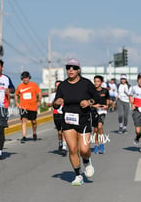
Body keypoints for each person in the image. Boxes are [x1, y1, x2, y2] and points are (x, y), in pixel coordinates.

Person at [53, 58, 100, 186]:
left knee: (84, 149)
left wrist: (89, 102)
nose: (70, 70)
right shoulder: (63, 85)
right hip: (68, 120)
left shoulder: (86, 83)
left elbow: (96, 97)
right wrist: (56, 103)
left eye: (73, 68)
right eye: (68, 67)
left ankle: (86, 161)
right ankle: (78, 175)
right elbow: (56, 104)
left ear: (78, 70)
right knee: (73, 149)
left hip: (84, 118)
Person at [15, 71, 42, 143]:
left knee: (33, 121)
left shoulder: (34, 85)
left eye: (26, 78)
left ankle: (34, 132)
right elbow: (16, 94)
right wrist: (16, 102)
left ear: (29, 78)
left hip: (32, 107)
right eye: (23, 78)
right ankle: (24, 136)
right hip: (23, 107)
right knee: (23, 120)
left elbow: (39, 93)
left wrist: (39, 101)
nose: (25, 79)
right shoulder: (20, 86)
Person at [47, 80, 67, 156]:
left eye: (59, 85)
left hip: (64, 114)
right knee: (59, 132)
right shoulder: (53, 95)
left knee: (64, 131)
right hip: (56, 114)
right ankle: (60, 143)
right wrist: (53, 102)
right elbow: (48, 105)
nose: (58, 87)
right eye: (56, 85)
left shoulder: (66, 94)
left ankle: (64, 147)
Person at [91, 75, 110, 154]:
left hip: (102, 111)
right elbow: (89, 102)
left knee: (100, 126)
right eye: (95, 81)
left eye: (98, 81)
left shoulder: (105, 91)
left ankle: (101, 144)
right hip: (94, 111)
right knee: (95, 130)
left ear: (101, 82)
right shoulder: (91, 91)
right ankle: (96, 145)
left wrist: (107, 106)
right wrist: (93, 106)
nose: (96, 83)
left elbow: (107, 99)